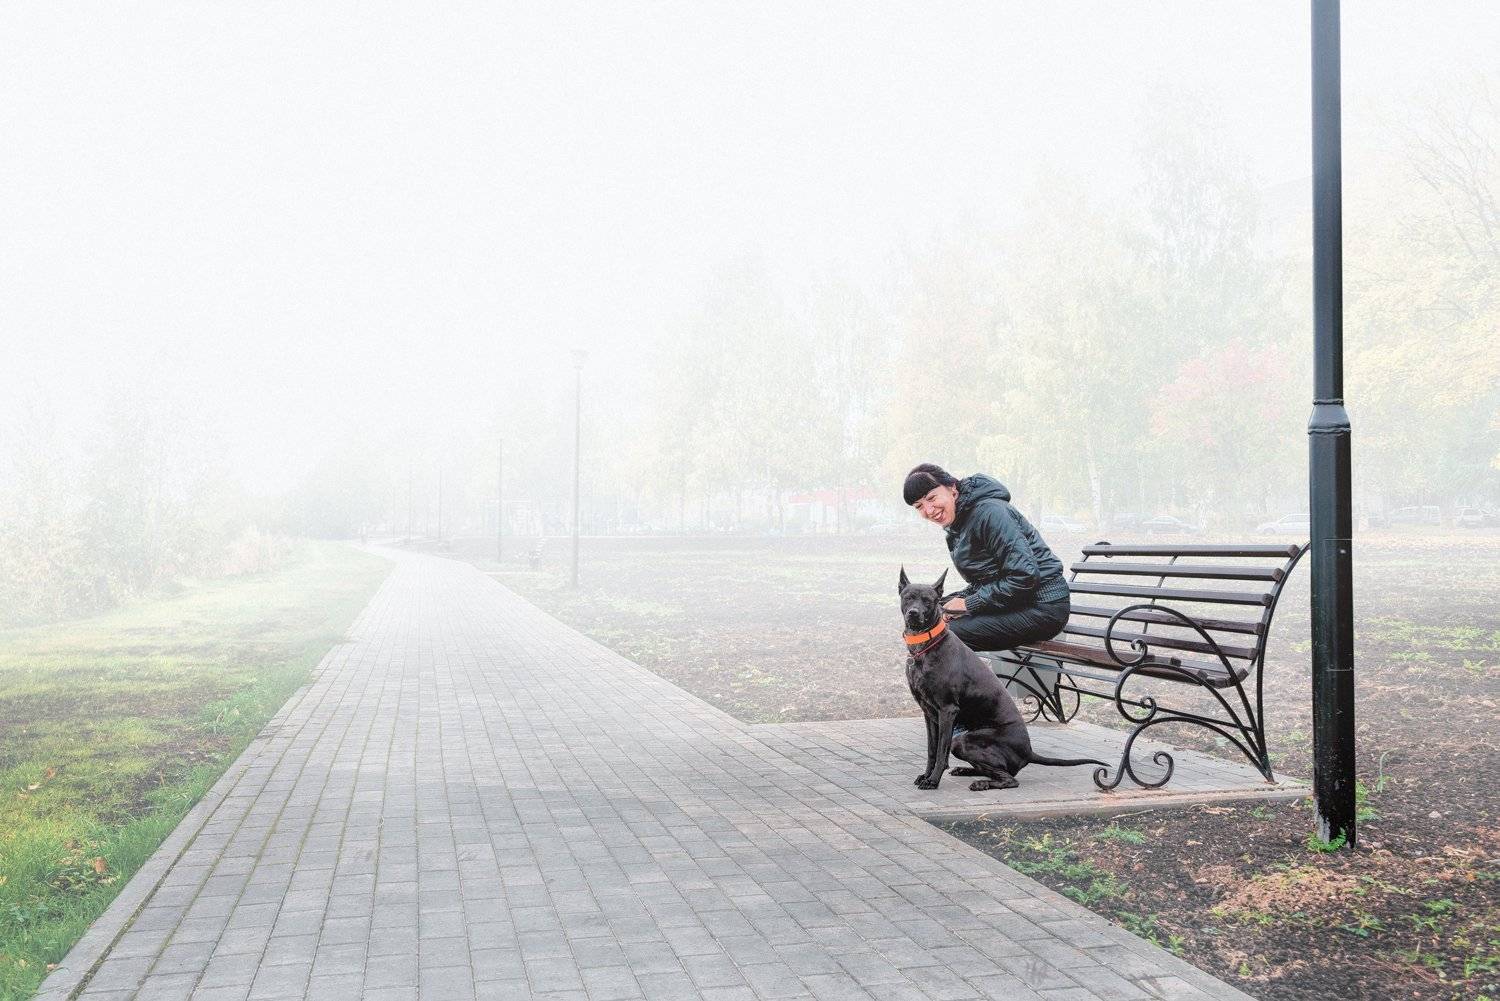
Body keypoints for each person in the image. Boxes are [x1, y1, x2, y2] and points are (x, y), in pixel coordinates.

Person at [903, 462, 1070, 651]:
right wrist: (946, 604)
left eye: (932, 498)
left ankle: (958, 674)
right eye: (919, 506)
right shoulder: (958, 524)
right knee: (932, 612)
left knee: (942, 634)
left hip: (1044, 607)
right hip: (1016, 603)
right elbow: (986, 580)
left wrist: (968, 603)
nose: (929, 510)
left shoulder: (991, 513)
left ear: (952, 489)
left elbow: (1024, 576)